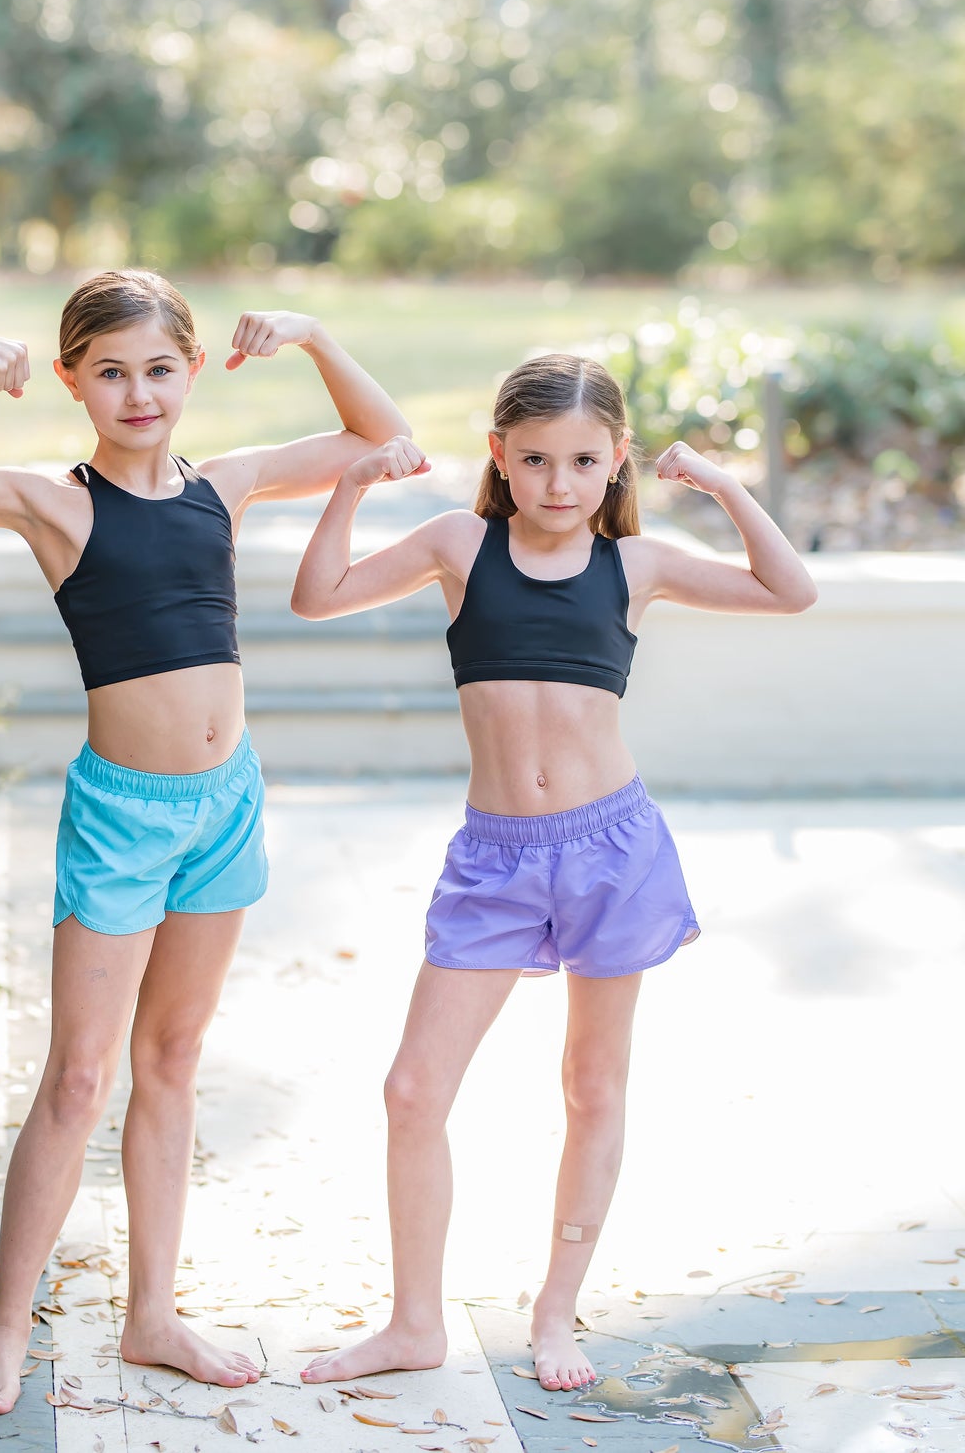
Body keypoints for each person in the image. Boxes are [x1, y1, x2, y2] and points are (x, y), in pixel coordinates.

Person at [0, 268, 413, 1416]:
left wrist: (310, 335)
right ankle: (8, 1330)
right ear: (71, 382)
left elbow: (384, 437)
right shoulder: (55, 504)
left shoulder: (229, 484)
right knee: (81, 1074)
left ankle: (154, 1316)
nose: (138, 392)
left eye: (159, 369)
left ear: (192, 372)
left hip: (226, 805)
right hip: (122, 816)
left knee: (171, 1062)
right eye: (111, 372)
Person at [290, 351, 817, 1393]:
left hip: (610, 851)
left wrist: (720, 484)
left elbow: (790, 589)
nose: (560, 483)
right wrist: (349, 486)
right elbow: (318, 596)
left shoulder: (640, 563)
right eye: (535, 460)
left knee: (590, 1083)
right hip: (494, 859)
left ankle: (555, 1312)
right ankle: (413, 1322)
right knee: (411, 1089)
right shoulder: (458, 543)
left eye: (584, 460)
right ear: (500, 456)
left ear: (617, 459)